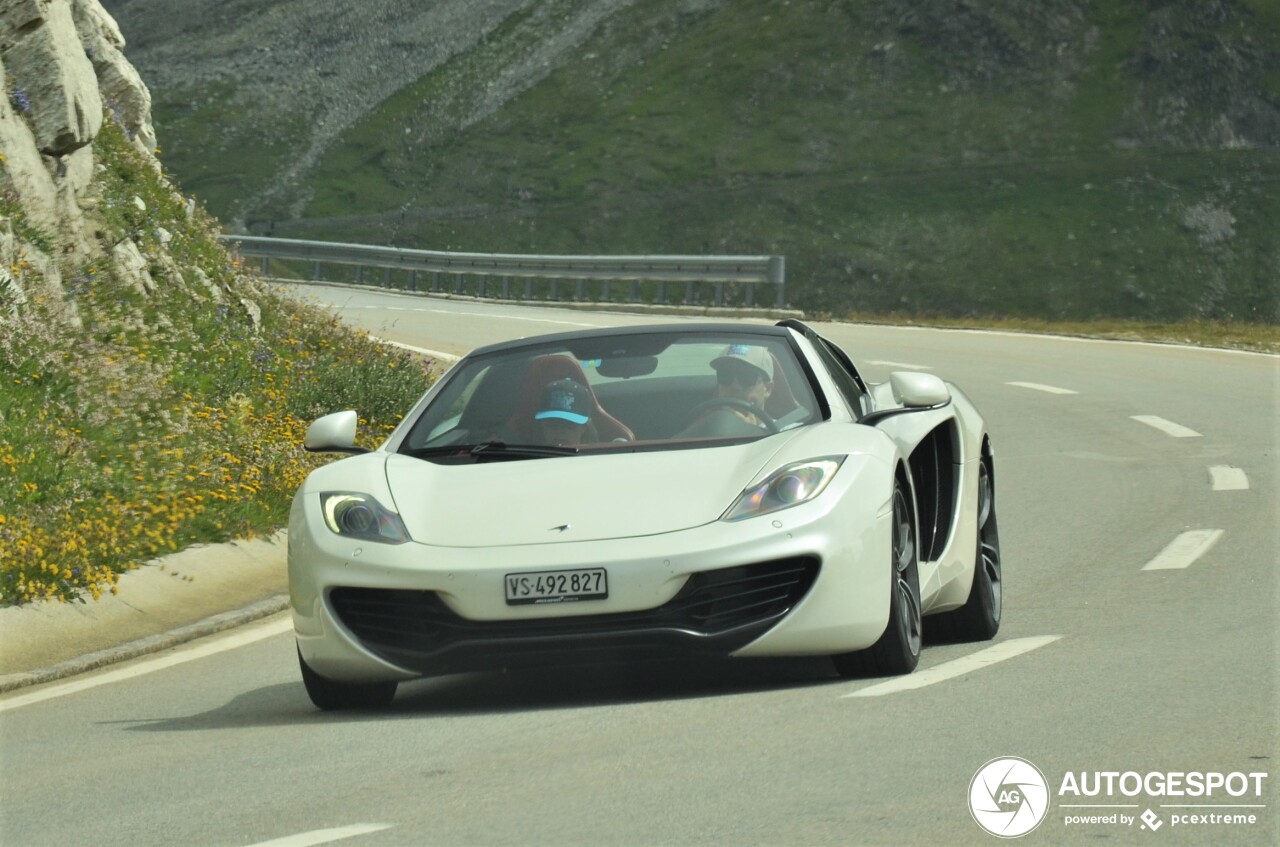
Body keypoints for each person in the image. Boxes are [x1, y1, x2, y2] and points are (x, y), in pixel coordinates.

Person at [676, 344, 775, 438]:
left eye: (746, 377)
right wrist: (698, 429)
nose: (735, 386)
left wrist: (753, 432)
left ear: (768, 389)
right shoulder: (702, 427)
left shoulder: (783, 435)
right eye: (725, 375)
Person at [533, 377, 594, 446]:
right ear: (542, 427)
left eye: (568, 425)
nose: (558, 431)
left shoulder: (601, 455)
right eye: (551, 425)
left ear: (584, 427)